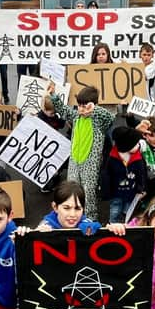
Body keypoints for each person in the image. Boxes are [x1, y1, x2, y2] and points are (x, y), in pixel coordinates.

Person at [48, 84, 115, 220]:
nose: (82, 109)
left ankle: (90, 220)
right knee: (71, 191)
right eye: (79, 106)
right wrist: (54, 95)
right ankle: (72, 217)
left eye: (86, 106)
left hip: (90, 164)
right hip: (74, 162)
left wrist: (94, 110)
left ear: (94, 105)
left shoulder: (98, 120)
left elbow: (110, 118)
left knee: (89, 193)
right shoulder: (76, 117)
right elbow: (63, 110)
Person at [102, 126, 147, 223]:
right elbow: (107, 174)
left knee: (128, 211)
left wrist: (141, 187)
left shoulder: (138, 158)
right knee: (115, 210)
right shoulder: (112, 158)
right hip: (116, 192)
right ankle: (113, 225)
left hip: (132, 192)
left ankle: (126, 226)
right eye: (135, 144)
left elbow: (142, 174)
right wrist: (106, 191)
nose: (138, 146)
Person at [37, 180, 102, 234]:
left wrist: (109, 232)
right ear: (55, 207)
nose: (72, 214)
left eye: (77, 208)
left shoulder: (87, 224)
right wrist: (36, 234)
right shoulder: (45, 226)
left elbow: (101, 236)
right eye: (66, 208)